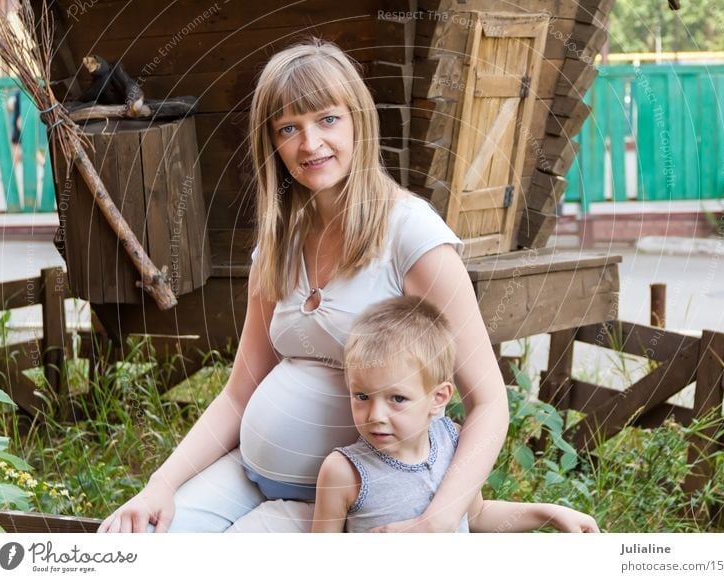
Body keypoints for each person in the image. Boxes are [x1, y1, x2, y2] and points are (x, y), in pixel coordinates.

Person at [99, 38, 508, 533]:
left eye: (327, 120)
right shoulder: (280, 244)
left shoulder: (412, 236)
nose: (310, 144)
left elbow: (489, 403)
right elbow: (238, 395)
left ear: (358, 120)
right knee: (137, 542)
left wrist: (434, 522)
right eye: (289, 128)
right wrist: (159, 484)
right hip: (251, 474)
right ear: (272, 143)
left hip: (350, 503)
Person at [312, 296, 599, 533]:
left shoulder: (453, 442)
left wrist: (548, 513)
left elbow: (476, 515)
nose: (375, 415)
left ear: (438, 399)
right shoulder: (344, 472)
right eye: (362, 396)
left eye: (397, 398)